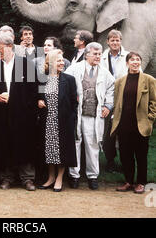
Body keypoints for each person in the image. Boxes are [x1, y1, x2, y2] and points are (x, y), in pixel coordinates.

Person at [65, 42, 115, 190]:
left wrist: (108, 105)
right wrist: (72, 98)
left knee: (92, 145)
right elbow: (65, 84)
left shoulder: (105, 73)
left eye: (99, 54)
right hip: (77, 113)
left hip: (94, 115)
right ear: (86, 54)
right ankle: (74, 175)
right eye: (95, 53)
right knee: (76, 143)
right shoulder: (74, 69)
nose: (98, 56)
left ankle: (93, 176)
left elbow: (111, 90)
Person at [0, 35, 37, 191]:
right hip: (3, 115)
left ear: (10, 46)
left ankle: (28, 178)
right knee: (5, 145)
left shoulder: (26, 65)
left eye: (0, 48)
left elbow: (33, 91)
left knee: (25, 145)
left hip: (23, 115)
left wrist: (15, 99)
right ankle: (6, 177)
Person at [111, 52, 156, 194]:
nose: (135, 62)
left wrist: (150, 118)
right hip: (123, 124)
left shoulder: (149, 80)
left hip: (141, 124)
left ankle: (141, 183)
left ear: (140, 63)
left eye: (138, 60)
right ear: (127, 63)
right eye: (132, 60)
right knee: (125, 154)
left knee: (141, 155)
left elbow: (154, 101)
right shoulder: (120, 82)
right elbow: (117, 101)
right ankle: (129, 181)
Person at [37, 49, 77, 192]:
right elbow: (38, 96)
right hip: (47, 121)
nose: (62, 63)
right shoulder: (42, 78)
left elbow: (74, 102)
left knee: (62, 150)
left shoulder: (69, 80)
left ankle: (59, 178)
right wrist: (39, 101)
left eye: (62, 60)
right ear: (51, 62)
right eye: (59, 60)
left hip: (63, 121)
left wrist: (71, 119)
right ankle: (51, 177)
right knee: (49, 150)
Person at [100, 29, 129, 172]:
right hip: (107, 98)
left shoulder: (129, 56)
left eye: (117, 40)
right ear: (108, 42)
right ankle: (110, 161)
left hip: (125, 98)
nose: (115, 43)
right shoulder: (103, 56)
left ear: (120, 41)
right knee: (108, 133)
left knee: (124, 132)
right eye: (112, 40)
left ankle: (125, 163)